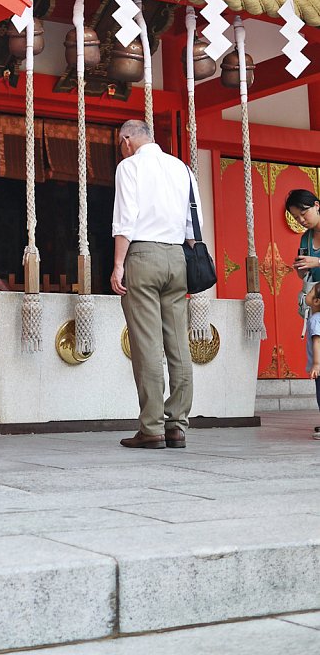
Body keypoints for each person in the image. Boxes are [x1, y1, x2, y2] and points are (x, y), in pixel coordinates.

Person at [110, 119, 202, 450]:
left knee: (147, 344)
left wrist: (118, 264)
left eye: (121, 143)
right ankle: (177, 424)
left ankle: (152, 427)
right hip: (177, 257)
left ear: (127, 139)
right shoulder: (182, 169)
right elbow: (195, 225)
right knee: (177, 342)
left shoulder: (129, 167)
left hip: (143, 254)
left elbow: (125, 218)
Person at [285, 188, 320, 440]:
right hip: (317, 306)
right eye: (296, 217)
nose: (301, 220)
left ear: (317, 205)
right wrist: (300, 269)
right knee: (318, 366)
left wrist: (317, 263)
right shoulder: (306, 239)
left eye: (304, 212)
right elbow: (304, 274)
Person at [302, 283, 320, 441]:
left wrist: (316, 364)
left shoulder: (316, 319)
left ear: (316, 301)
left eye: (311, 291)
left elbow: (317, 342)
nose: (307, 292)